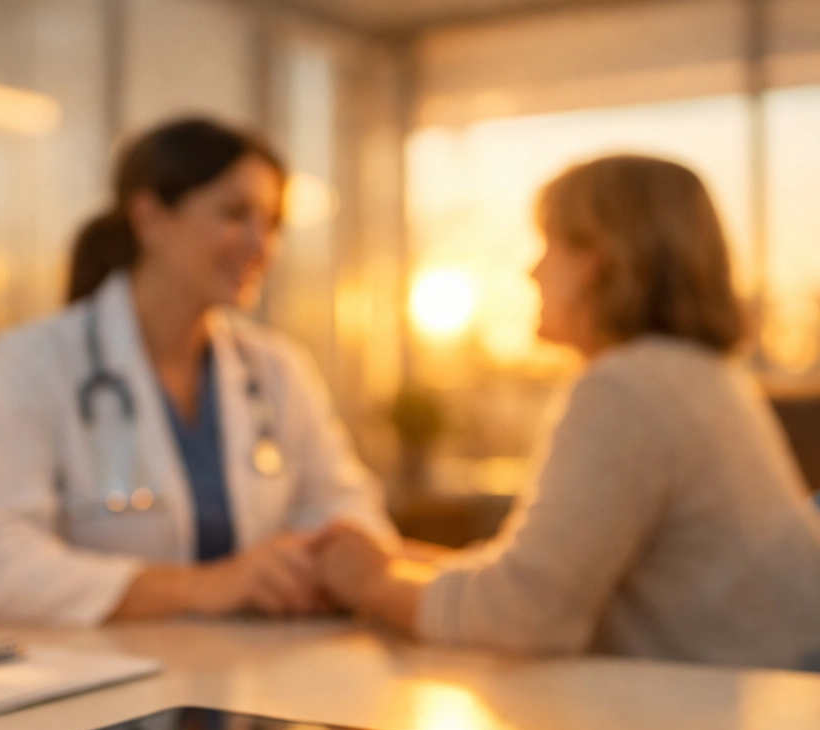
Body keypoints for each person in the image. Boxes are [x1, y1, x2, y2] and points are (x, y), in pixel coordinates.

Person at [315, 154, 820, 670]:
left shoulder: (626, 389)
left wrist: (370, 584)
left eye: (548, 243)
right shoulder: (699, 375)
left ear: (596, 258)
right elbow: (549, 577)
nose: (531, 269)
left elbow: (527, 615)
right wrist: (396, 561)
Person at [0, 118, 394, 625]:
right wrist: (207, 587)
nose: (260, 243)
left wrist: (338, 550)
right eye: (235, 213)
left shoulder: (277, 369)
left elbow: (346, 508)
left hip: (256, 668)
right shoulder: (32, 361)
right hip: (102, 680)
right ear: (150, 218)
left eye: (271, 222)